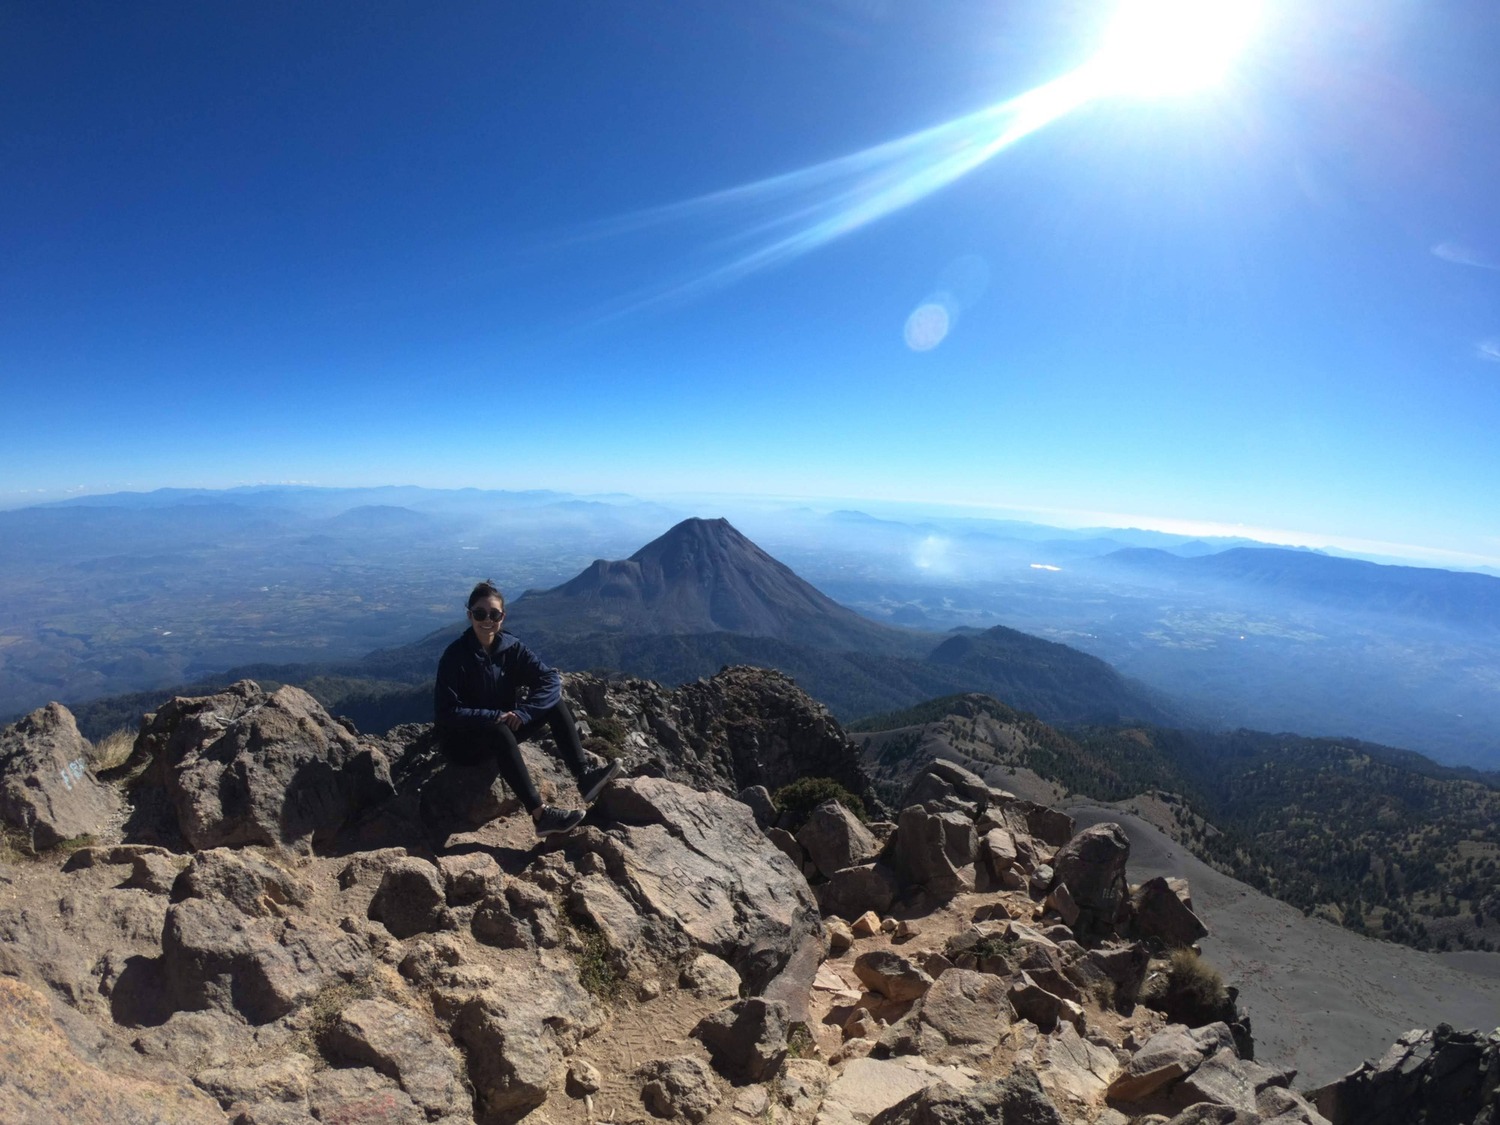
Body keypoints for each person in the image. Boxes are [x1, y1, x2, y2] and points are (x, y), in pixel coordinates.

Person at [434, 580, 620, 838]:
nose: (487, 620)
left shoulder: (511, 649)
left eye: (494, 614)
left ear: (503, 616)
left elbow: (550, 680)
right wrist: (494, 716)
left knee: (554, 703)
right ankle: (540, 815)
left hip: (503, 731)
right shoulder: (455, 657)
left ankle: (584, 777)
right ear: (469, 615)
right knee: (499, 731)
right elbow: (447, 712)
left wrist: (524, 713)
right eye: (480, 614)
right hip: (463, 744)